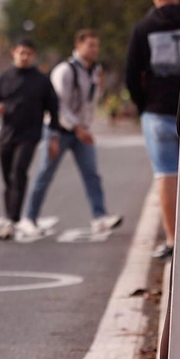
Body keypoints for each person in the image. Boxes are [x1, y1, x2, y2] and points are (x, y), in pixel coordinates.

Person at [21, 29, 123, 239]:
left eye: (96, 45)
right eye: (90, 45)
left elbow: (89, 102)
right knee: (44, 175)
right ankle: (28, 219)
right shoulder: (64, 71)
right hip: (58, 130)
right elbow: (58, 106)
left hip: (81, 132)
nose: (94, 49)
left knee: (91, 174)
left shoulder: (95, 71)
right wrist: (78, 128)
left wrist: (85, 126)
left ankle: (100, 217)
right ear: (78, 46)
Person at [126, 0, 180, 260]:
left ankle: (174, 239)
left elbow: (131, 74)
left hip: (158, 111)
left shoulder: (144, 28)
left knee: (166, 175)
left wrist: (144, 105)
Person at [0, 39, 58, 242]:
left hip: (30, 134)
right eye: (21, 52)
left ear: (33, 55)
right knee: (8, 178)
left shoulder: (41, 81)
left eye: (28, 53)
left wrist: (53, 136)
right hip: (6, 134)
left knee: (19, 172)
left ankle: (12, 219)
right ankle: (10, 215)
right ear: (13, 54)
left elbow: (53, 109)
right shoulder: (2, 79)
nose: (24, 56)